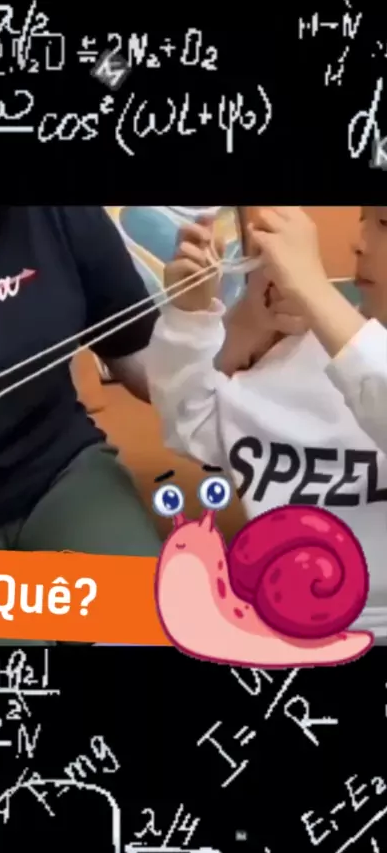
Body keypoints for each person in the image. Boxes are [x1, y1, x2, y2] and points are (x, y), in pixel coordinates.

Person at [0, 206, 161, 646]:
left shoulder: (63, 214)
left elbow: (138, 352)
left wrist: (232, 338)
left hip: (60, 475)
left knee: (151, 627)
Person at [146, 206, 387, 640]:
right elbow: (191, 427)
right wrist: (190, 317)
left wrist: (315, 292)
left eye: (384, 224)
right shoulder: (296, 357)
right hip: (281, 625)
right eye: (363, 219)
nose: (360, 243)